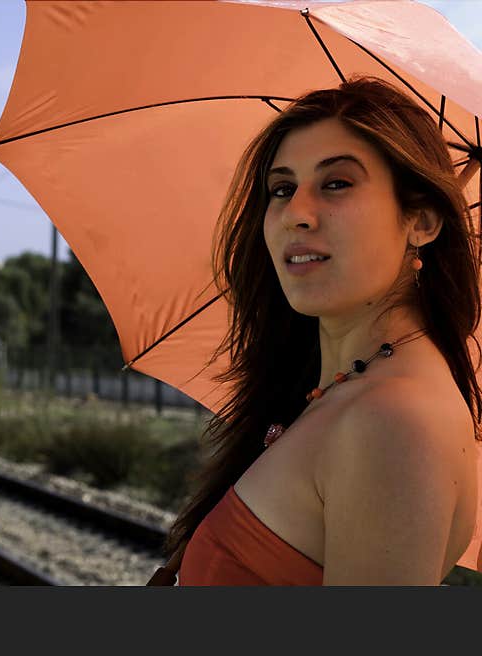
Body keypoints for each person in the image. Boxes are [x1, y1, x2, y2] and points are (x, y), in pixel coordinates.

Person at [150, 76, 482, 586]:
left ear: (422, 220)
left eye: (336, 183)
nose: (295, 215)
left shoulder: (393, 421)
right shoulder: (346, 388)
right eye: (282, 189)